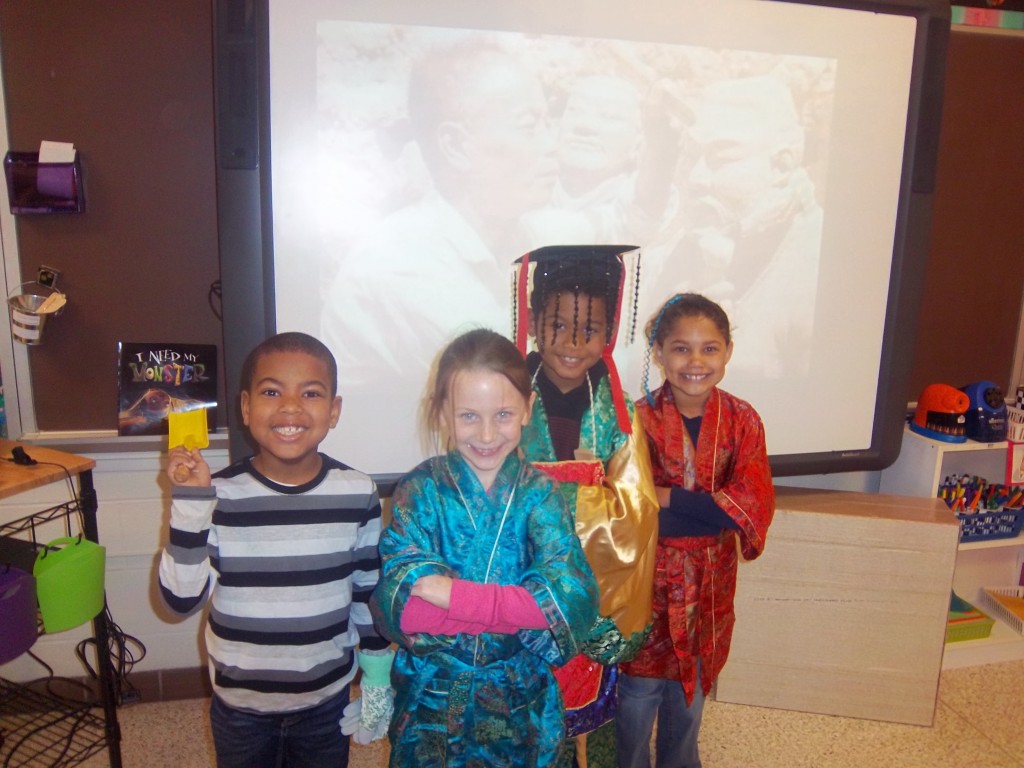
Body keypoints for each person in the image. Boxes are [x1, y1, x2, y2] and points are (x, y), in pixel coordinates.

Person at [157, 332, 392, 768]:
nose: (290, 407)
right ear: (246, 407)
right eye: (271, 391)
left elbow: (366, 590)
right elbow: (179, 600)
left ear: (334, 411)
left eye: (311, 393)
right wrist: (191, 504)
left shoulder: (358, 493)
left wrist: (377, 679)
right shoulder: (219, 495)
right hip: (241, 710)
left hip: (326, 701)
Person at [371, 328, 599, 768]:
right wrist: (514, 607)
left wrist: (451, 594)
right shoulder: (420, 492)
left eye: (504, 414)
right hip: (436, 698)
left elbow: (569, 599)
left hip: (520, 695)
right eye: (469, 416)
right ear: (441, 413)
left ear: (528, 410)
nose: (488, 433)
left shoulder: (541, 496)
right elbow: (403, 608)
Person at [512, 245, 660, 768]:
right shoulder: (503, 401)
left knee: (592, 731)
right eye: (558, 325)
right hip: (519, 593)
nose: (574, 343)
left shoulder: (621, 418)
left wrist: (549, 500)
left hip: (596, 594)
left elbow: (638, 511)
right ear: (532, 323)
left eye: (590, 328)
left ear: (609, 332)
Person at [615, 293, 775, 768]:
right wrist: (702, 508)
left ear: (727, 351)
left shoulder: (744, 420)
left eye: (709, 348)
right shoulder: (635, 422)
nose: (695, 361)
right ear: (658, 350)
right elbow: (632, 508)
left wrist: (672, 498)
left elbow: (749, 505)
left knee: (692, 692)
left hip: (709, 583)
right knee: (638, 693)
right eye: (681, 348)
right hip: (649, 583)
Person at [666, 74, 824, 379]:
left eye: (721, 157)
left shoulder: (817, 268)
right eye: (693, 156)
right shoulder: (691, 241)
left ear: (781, 165)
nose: (696, 179)